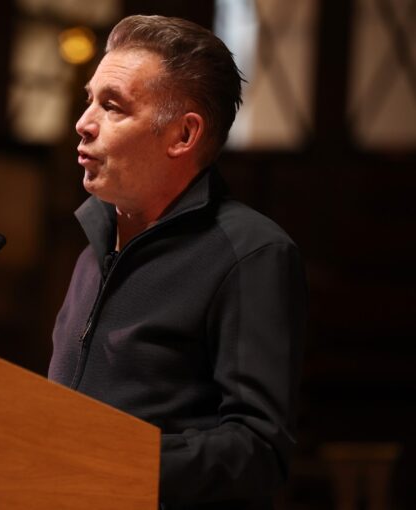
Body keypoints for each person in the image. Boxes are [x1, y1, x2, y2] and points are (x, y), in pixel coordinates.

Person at [48, 15, 307, 510]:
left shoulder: (252, 254)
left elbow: (257, 450)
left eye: (112, 106)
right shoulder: (92, 246)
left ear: (183, 136)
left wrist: (111, 462)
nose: (83, 122)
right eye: (89, 99)